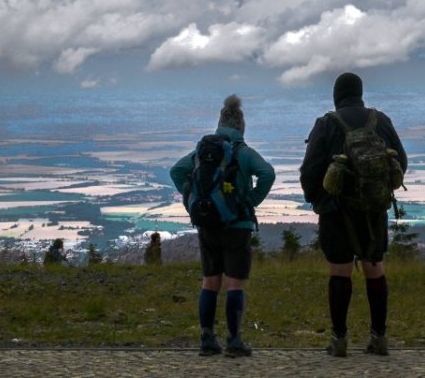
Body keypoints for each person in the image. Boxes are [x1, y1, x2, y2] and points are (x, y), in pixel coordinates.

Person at [300, 72, 407, 357]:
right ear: (360, 93)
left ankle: (339, 339)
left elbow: (309, 171)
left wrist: (319, 200)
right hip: (373, 211)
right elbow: (402, 161)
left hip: (337, 212)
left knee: (340, 271)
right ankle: (379, 337)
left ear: (337, 95)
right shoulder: (380, 121)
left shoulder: (326, 124)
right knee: (375, 270)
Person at [170, 94, 276, 358]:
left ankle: (207, 340)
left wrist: (191, 199)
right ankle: (234, 341)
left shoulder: (202, 151)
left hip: (208, 225)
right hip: (237, 226)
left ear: (219, 123)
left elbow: (176, 171)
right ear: (241, 126)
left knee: (209, 282)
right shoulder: (243, 152)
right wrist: (250, 200)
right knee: (235, 285)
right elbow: (268, 173)